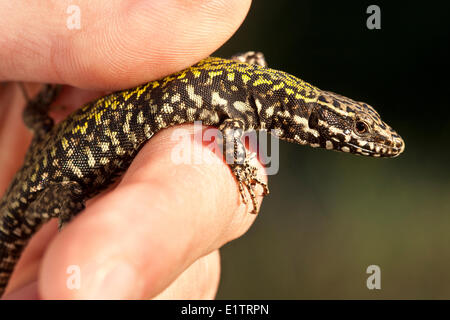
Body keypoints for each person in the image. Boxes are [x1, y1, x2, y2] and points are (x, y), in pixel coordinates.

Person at [0, 0, 265, 299]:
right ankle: (77, 243)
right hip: (33, 197)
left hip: (48, 161)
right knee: (70, 198)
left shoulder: (239, 87)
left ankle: (79, 250)